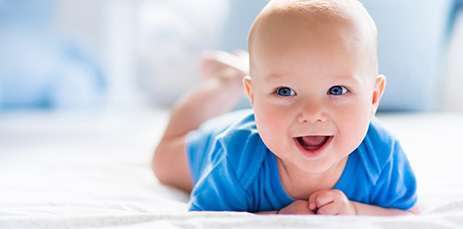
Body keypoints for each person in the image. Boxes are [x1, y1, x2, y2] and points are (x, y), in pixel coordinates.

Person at [153, 0, 420, 215]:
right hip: (212, 144)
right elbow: (206, 220)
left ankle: (252, 74)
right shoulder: (236, 156)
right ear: (254, 98)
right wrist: (278, 217)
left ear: (373, 98)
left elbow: (408, 214)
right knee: (161, 161)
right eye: (285, 91)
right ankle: (226, 80)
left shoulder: (381, 154)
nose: (312, 113)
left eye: (336, 90)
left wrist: (355, 210)